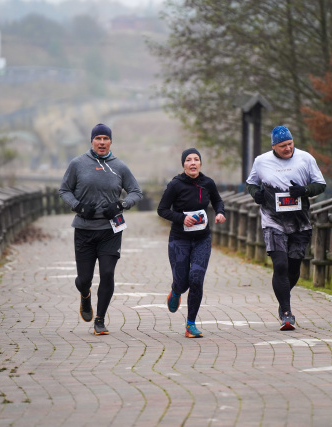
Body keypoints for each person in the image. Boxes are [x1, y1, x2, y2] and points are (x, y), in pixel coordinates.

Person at [59, 123, 143, 335]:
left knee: (107, 273)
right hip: (84, 229)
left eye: (106, 139)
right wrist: (77, 206)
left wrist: (121, 205)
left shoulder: (120, 166)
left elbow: (136, 192)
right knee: (84, 279)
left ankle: (100, 319)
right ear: (92, 141)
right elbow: (64, 190)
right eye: (98, 139)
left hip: (111, 229)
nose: (102, 142)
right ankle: (85, 296)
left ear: (111, 142)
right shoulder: (77, 164)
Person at [246, 125, 326, 331]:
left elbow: (320, 184)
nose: (288, 148)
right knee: (280, 265)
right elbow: (251, 183)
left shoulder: (305, 158)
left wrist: (305, 190)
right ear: (274, 146)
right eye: (283, 146)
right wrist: (256, 194)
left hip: (300, 222)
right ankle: (287, 313)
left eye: (290, 144)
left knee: (293, 268)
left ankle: (283, 299)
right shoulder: (261, 161)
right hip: (272, 220)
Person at [157, 148, 226, 338]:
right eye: (189, 160)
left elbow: (218, 202)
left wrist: (220, 213)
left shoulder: (208, 183)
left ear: (200, 163)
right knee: (182, 282)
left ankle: (190, 324)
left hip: (202, 239)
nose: (193, 163)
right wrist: (180, 218)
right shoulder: (175, 185)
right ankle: (176, 291)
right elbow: (162, 210)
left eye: (196, 159)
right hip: (179, 239)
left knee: (196, 279)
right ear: (184, 165)